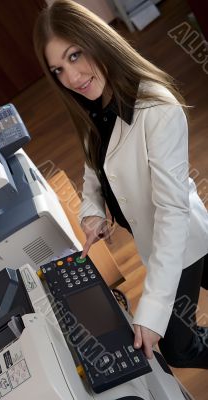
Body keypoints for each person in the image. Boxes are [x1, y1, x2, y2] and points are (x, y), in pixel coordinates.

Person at [33, 0, 208, 367]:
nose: (72, 77)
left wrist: (153, 306)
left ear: (96, 40)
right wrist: (93, 212)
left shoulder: (157, 109)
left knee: (177, 348)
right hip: (162, 240)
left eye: (76, 55)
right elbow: (95, 171)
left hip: (179, 240)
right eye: (58, 69)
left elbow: (172, 213)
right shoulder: (93, 107)